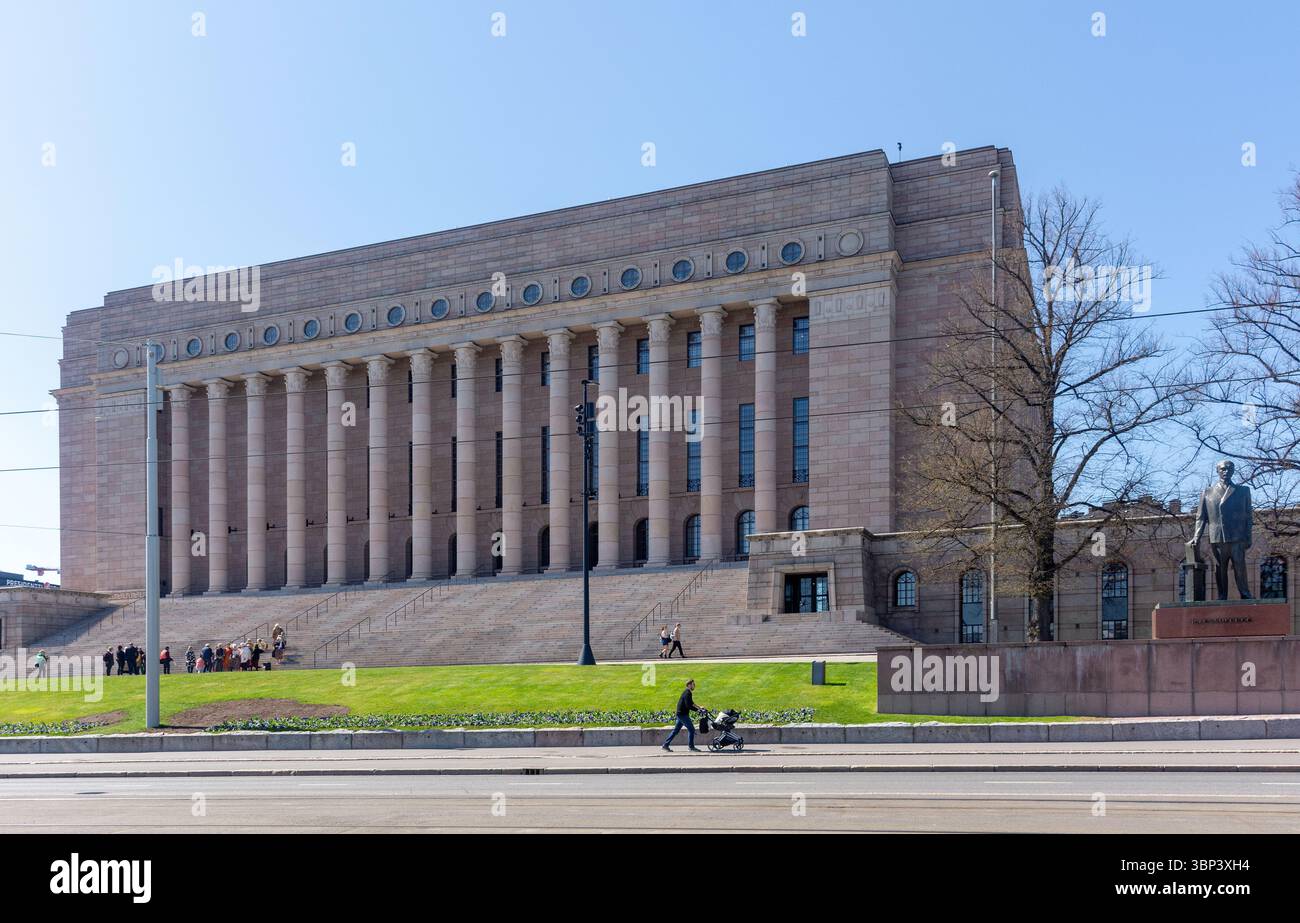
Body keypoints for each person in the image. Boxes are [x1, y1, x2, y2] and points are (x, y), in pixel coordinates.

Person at [661, 679, 703, 752]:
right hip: (682, 715)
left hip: (680, 714)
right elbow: (688, 705)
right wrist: (698, 710)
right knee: (691, 729)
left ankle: (665, 745)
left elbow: (691, 703)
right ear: (689, 685)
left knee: (676, 731)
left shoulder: (687, 692)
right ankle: (691, 747)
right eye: (693, 684)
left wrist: (699, 707)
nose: (694, 686)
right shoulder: (687, 693)